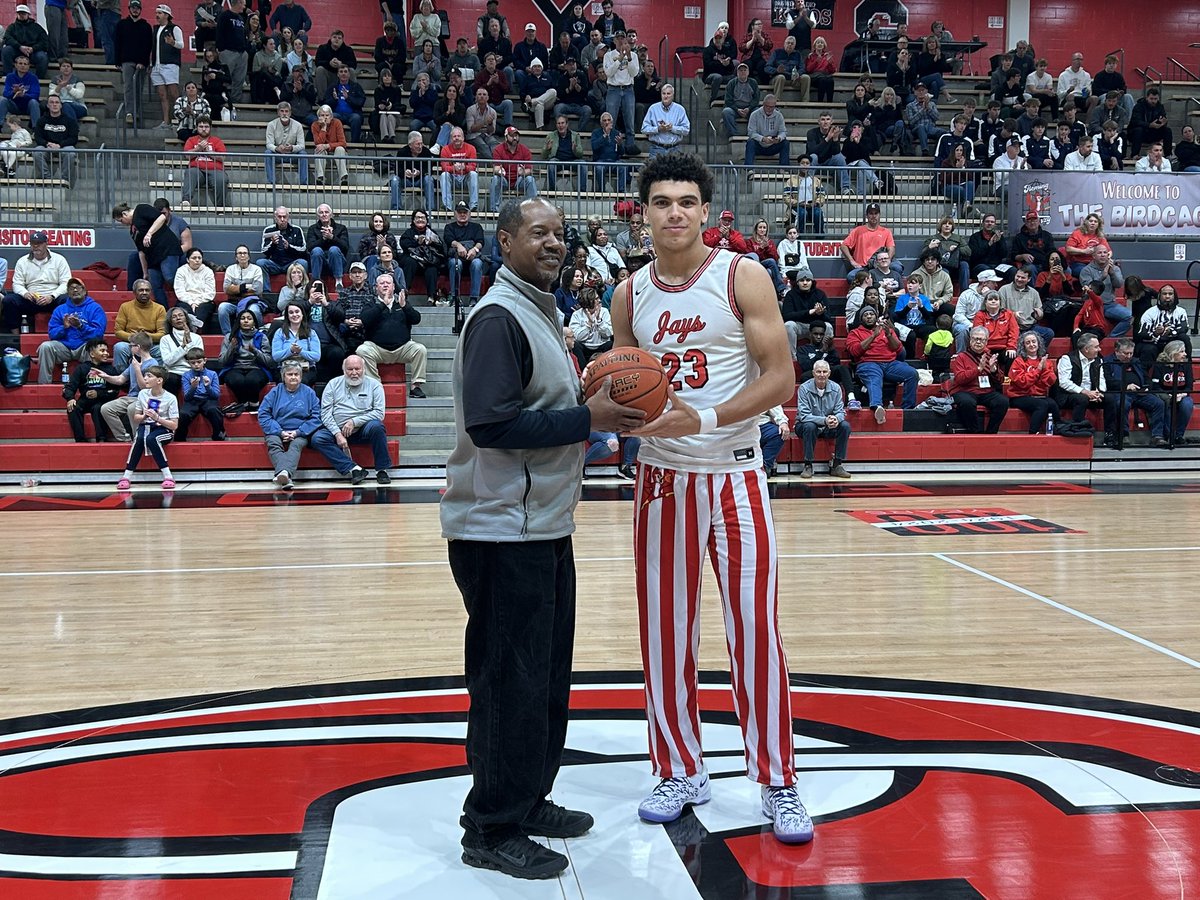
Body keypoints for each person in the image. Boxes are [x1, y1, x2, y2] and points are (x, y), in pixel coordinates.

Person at [609, 153, 812, 844]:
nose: (674, 212)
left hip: (733, 470)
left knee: (755, 631)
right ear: (643, 213)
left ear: (705, 211)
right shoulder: (629, 295)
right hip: (661, 480)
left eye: (686, 201)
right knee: (664, 636)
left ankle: (777, 779)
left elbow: (781, 378)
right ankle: (680, 769)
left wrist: (702, 417)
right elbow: (622, 385)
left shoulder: (740, 276)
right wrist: (609, 408)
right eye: (661, 201)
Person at [310, 354, 392, 483]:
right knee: (317, 438)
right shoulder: (333, 384)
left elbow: (379, 413)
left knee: (377, 426)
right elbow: (325, 413)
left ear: (364, 369)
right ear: (344, 370)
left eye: (357, 369)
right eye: (350, 369)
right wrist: (337, 434)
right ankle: (353, 469)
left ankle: (382, 470)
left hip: (362, 429)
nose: (354, 373)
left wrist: (354, 422)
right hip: (337, 428)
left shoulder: (375, 385)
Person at [356, 272, 428, 398]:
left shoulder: (401, 303)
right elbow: (364, 320)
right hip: (377, 349)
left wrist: (405, 306)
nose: (385, 285)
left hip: (402, 348)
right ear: (376, 287)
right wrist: (382, 305)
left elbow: (416, 319)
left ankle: (415, 386)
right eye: (381, 283)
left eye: (388, 283)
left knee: (420, 350)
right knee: (362, 350)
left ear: (394, 287)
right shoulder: (371, 303)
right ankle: (375, 386)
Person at [257, 359, 322, 489]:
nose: (293, 377)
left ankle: (283, 473)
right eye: (290, 374)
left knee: (296, 444)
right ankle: (286, 474)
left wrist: (298, 432)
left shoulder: (309, 392)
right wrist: (279, 432)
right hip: (277, 430)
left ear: (301, 376)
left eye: (296, 374)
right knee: (273, 443)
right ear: (283, 377)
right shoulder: (275, 392)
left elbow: (317, 416)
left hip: (300, 432)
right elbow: (263, 414)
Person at [115, 365, 178, 490]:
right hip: (145, 425)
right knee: (139, 439)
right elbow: (136, 418)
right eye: (145, 376)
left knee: (151, 439)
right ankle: (126, 477)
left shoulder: (171, 398)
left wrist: (157, 418)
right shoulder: (143, 394)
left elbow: (174, 425)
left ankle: (168, 476)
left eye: (149, 376)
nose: (145, 379)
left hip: (164, 428)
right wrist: (145, 416)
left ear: (159, 380)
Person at [36, 278, 107, 385]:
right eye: (71, 288)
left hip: (84, 346)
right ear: (67, 292)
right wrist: (64, 327)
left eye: (78, 287)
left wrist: (81, 326)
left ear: (84, 291)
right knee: (45, 346)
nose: (75, 290)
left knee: (95, 347)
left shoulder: (95, 308)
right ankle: (44, 385)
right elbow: (52, 334)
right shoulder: (60, 309)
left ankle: (93, 385)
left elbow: (98, 334)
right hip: (65, 347)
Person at [1102, 338, 1165, 448]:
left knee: (1159, 403)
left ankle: (1157, 436)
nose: (1129, 356)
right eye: (1125, 353)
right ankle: (1123, 435)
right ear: (1116, 351)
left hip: (1139, 393)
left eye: (1131, 353)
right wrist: (1126, 386)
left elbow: (1146, 377)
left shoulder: (1136, 361)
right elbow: (1107, 381)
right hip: (1120, 393)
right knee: (1122, 404)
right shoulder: (1107, 361)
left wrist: (1146, 387)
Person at [794, 360, 851, 478]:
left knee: (845, 426)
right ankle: (808, 465)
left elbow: (840, 412)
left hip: (828, 426)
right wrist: (824, 420)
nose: (822, 374)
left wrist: (836, 419)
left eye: (824, 371)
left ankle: (837, 465)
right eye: (818, 372)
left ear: (829, 373)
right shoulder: (804, 388)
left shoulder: (836, 388)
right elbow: (804, 416)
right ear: (813, 373)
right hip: (805, 425)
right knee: (810, 426)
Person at [949, 326, 1010, 433]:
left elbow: (1000, 381)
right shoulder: (961, 357)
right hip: (965, 391)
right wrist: (978, 369)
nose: (978, 342)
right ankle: (975, 432)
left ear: (986, 342)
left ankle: (991, 433)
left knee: (1002, 401)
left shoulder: (990, 357)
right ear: (970, 340)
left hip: (986, 391)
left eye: (981, 339)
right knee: (967, 402)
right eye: (975, 339)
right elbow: (959, 379)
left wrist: (994, 370)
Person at [63, 339, 121, 442]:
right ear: (92, 354)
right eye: (102, 351)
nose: (106, 353)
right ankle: (80, 440)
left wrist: (98, 394)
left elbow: (115, 391)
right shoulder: (82, 368)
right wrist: (70, 398)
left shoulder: (110, 369)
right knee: (73, 408)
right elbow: (69, 387)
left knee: (97, 408)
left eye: (107, 351)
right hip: (85, 400)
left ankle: (102, 438)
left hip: (103, 400)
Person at [217, 309, 272, 415]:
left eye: (249, 318)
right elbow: (222, 361)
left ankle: (254, 404)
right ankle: (244, 404)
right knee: (237, 380)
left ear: (254, 322)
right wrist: (231, 348)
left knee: (252, 380)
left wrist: (255, 351)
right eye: (243, 318)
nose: (246, 321)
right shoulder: (230, 336)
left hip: (256, 368)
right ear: (239, 321)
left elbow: (268, 361)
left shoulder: (261, 337)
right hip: (234, 368)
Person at [1005, 331, 1058, 434]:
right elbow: (1022, 382)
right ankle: (1033, 433)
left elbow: (1048, 382)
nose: (1031, 345)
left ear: (1038, 344)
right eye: (1028, 342)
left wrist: (1047, 371)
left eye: (1034, 341)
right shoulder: (1018, 361)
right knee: (1041, 405)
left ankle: (1058, 429)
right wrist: (1038, 370)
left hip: (1038, 395)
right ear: (1023, 346)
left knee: (1052, 404)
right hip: (1019, 396)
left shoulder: (1045, 361)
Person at [1054, 331, 1111, 427]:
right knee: (1081, 399)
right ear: (1086, 349)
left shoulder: (1098, 360)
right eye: (1096, 347)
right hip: (1069, 395)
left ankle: (1110, 434)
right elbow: (1064, 382)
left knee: (1111, 399)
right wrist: (1084, 392)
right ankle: (1077, 428)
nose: (1099, 349)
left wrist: (1098, 392)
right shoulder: (1067, 359)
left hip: (1091, 394)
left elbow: (1101, 379)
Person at [1078, 246, 1130, 337]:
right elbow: (1089, 290)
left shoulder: (1114, 268)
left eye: (1105, 253)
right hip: (1093, 306)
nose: (1103, 255)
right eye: (1099, 253)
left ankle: (1113, 337)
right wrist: (1103, 276)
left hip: (1109, 304)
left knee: (1130, 317)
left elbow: (1119, 285)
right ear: (1093, 256)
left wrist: (1112, 273)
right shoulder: (1086, 270)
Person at [175, 347, 225, 442]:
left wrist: (208, 386)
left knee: (214, 410)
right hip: (192, 400)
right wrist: (193, 387)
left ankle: (218, 435)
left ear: (205, 361)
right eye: (193, 363)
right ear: (188, 363)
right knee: (183, 414)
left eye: (199, 362)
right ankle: (180, 438)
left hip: (208, 399)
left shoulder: (213, 374)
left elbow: (216, 396)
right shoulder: (186, 375)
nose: (196, 365)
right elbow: (187, 397)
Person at [1151, 341, 1195, 446]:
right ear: (1173, 353)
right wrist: (1170, 395)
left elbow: (1189, 386)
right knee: (1166, 402)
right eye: (1181, 352)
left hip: (1181, 394)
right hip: (1165, 394)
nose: (1185, 354)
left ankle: (1178, 435)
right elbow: (1156, 386)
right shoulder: (1160, 365)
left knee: (1187, 404)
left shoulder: (1186, 365)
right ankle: (1168, 435)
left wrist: (1181, 395)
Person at [841, 203, 900, 282]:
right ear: (867, 215)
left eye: (876, 213)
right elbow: (843, 246)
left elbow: (891, 248)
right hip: (864, 267)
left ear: (879, 215)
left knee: (897, 267)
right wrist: (852, 261)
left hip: (880, 267)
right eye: (871, 213)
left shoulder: (886, 232)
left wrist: (885, 261)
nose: (873, 216)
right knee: (851, 276)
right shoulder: (858, 230)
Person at [1135, 285, 1190, 368]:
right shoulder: (1150, 312)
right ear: (1159, 296)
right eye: (1164, 294)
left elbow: (1184, 328)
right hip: (1154, 343)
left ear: (1174, 296)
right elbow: (1141, 334)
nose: (1167, 296)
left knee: (1184, 338)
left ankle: (1187, 370)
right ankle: (1143, 377)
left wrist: (1170, 331)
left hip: (1172, 342)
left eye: (1170, 294)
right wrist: (1155, 333)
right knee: (1148, 349)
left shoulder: (1181, 311)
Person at [443, 201, 485, 305]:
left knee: (477, 263)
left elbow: (480, 242)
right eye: (460, 212)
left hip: (472, 257)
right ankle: (455, 297)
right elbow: (448, 239)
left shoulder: (476, 227)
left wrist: (474, 250)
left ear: (469, 214)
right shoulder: (449, 227)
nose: (462, 214)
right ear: (455, 214)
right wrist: (458, 245)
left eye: (465, 212)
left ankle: (474, 299)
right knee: (455, 263)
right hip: (456, 257)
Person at [180, 116, 228, 207]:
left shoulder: (217, 141)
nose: (204, 129)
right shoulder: (191, 140)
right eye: (201, 127)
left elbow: (222, 157)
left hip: (215, 170)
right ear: (197, 128)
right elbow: (187, 156)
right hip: (197, 169)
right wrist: (198, 149)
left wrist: (209, 152)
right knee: (190, 172)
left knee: (221, 179)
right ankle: (186, 200)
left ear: (210, 128)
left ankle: (220, 206)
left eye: (206, 127)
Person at [217, 245, 265, 335]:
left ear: (249, 256)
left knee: (254, 310)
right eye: (240, 253)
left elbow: (258, 289)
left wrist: (236, 288)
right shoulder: (230, 269)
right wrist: (247, 287)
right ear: (236, 257)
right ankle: (228, 335)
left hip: (252, 301)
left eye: (245, 253)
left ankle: (259, 334)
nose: (242, 255)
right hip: (234, 302)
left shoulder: (256, 269)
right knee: (222, 308)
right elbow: (226, 289)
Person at [1000, 267, 1054, 346]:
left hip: (1030, 327)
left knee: (1049, 333)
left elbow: (1039, 315)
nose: (1019, 279)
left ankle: (1036, 354)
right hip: (1011, 327)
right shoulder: (1004, 290)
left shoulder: (1034, 293)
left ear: (1028, 279)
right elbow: (1000, 311)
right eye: (1017, 276)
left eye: (1023, 278)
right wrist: (1013, 314)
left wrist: (1039, 314)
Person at [489, 125, 537, 212]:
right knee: (495, 179)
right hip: (504, 179)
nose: (515, 138)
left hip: (519, 179)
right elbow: (495, 168)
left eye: (516, 135)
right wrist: (500, 171)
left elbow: (529, 170)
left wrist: (523, 173)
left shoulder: (525, 150)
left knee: (530, 179)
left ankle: (533, 210)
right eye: (512, 136)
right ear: (506, 137)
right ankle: (494, 210)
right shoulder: (498, 149)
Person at [32, 94, 78, 186]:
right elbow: (38, 137)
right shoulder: (41, 120)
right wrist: (47, 144)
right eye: (51, 102)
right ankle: (47, 179)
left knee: (71, 152)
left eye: (57, 102)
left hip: (63, 147)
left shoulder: (70, 121)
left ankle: (64, 181)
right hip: (47, 147)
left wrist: (60, 145)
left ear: (61, 105)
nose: (54, 105)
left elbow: (73, 138)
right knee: (36, 152)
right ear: (48, 106)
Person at [398, 209, 444, 301]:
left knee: (432, 269)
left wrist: (431, 242)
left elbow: (441, 249)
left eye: (422, 217)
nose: (420, 220)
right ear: (413, 220)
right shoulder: (408, 233)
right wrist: (417, 243)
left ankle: (431, 297)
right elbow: (404, 245)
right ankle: (404, 293)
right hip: (413, 262)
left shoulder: (432, 233)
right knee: (410, 262)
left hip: (428, 262)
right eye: (417, 218)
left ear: (426, 220)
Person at [952, 269, 1001, 351]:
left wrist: (987, 296)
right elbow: (958, 315)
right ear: (984, 283)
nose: (996, 285)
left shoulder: (993, 296)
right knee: (962, 329)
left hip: (984, 322)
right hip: (966, 322)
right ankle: (960, 356)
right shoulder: (966, 294)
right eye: (993, 282)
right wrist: (973, 326)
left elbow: (996, 313)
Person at [972, 290, 1018, 373]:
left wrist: (1011, 347)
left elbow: (1014, 332)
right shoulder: (979, 315)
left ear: (1000, 302)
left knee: (1012, 355)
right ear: (985, 302)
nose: (993, 301)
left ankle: (1007, 380)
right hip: (986, 348)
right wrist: (985, 350)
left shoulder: (1009, 314)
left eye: (996, 299)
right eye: (990, 299)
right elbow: (977, 334)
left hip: (1004, 347)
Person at [172, 247, 216, 334]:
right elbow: (179, 291)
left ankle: (194, 330)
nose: (197, 260)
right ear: (188, 260)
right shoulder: (181, 271)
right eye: (194, 258)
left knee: (202, 309)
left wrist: (197, 302)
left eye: (199, 258)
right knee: (184, 309)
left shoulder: (208, 271)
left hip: (204, 300)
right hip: (186, 300)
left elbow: (210, 292)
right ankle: (191, 330)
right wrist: (191, 302)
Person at [265, 101, 309, 185]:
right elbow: (269, 144)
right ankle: (271, 182)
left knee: (303, 154)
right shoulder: (271, 125)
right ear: (278, 113)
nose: (284, 114)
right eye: (282, 111)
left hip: (292, 154)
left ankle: (303, 183)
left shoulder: (298, 125)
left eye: (286, 111)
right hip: (278, 154)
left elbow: (302, 145)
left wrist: (292, 148)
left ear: (290, 113)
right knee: (268, 153)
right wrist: (276, 148)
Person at [641, 83, 689, 157]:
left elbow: (686, 130)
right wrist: (658, 129)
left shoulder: (680, 110)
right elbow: (644, 129)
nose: (666, 96)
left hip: (675, 149)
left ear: (673, 95)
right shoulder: (653, 108)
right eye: (664, 93)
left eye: (668, 94)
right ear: (661, 95)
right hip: (656, 149)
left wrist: (672, 128)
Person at [257, 205, 307, 277]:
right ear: (275, 218)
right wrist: (273, 244)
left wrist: (288, 247)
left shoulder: (296, 229)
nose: (282, 219)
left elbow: (303, 249)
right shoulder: (268, 230)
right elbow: (264, 251)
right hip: (274, 263)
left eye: (284, 217)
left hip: (291, 263)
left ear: (288, 217)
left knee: (303, 263)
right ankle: (266, 289)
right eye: (279, 217)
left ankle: (300, 288)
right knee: (260, 263)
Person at [306, 203, 349, 285]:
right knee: (316, 250)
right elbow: (310, 248)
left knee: (334, 249)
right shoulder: (312, 229)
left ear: (331, 214)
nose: (324, 214)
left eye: (326, 212)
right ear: (318, 215)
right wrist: (323, 239)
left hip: (338, 262)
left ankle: (339, 282)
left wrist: (332, 237)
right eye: (321, 213)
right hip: (319, 262)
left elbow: (345, 247)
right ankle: (315, 282)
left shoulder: (341, 228)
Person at [2, 5, 50, 78]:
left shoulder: (37, 27)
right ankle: (8, 76)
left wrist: (33, 48)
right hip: (17, 50)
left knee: (42, 57)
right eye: (19, 13)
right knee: (6, 51)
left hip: (33, 52)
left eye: (23, 13)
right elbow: (7, 38)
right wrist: (19, 47)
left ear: (28, 15)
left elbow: (44, 41)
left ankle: (38, 78)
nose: (21, 15)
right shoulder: (12, 27)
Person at [438, 126, 479, 212]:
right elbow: (444, 167)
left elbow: (473, 166)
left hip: (465, 178)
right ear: (451, 138)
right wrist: (454, 168)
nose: (456, 138)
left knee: (474, 174)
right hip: (453, 178)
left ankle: (473, 205)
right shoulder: (445, 149)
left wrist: (465, 167)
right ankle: (447, 206)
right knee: (444, 175)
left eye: (458, 136)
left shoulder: (471, 148)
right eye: (454, 136)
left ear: (463, 138)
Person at [310, 105, 349, 187]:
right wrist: (323, 128)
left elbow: (343, 143)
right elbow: (318, 143)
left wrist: (327, 145)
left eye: (327, 115)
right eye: (322, 115)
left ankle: (343, 178)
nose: (325, 118)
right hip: (323, 152)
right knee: (318, 149)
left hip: (337, 151)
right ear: (318, 117)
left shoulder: (337, 122)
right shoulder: (315, 125)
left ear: (331, 116)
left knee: (340, 149)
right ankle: (320, 178)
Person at [0, 53, 41, 131]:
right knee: (2, 100)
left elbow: (36, 94)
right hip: (14, 105)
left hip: (28, 106)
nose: (23, 65)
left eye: (25, 64)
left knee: (34, 102)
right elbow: (5, 93)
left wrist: (23, 95)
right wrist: (14, 92)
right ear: (15, 65)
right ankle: (0, 125)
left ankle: (36, 129)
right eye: (20, 63)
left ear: (28, 66)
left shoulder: (33, 78)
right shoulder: (10, 76)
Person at [1129, 87, 1172, 158]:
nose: (1153, 101)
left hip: (1153, 132)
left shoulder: (1160, 107)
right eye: (1151, 99)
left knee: (1167, 131)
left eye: (1155, 99)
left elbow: (1163, 118)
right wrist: (1149, 125)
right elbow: (1135, 121)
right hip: (1139, 132)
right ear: (1147, 98)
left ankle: (1168, 155)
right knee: (1138, 130)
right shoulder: (1139, 106)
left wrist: (1163, 123)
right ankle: (1134, 154)